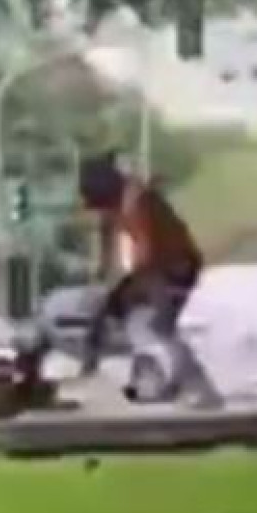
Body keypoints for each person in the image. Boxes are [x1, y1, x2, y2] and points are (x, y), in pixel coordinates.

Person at [77, 151, 220, 408]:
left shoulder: (135, 201)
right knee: (150, 326)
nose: (103, 213)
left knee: (147, 326)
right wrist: (104, 274)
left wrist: (128, 282)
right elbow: (108, 238)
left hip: (172, 268)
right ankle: (194, 386)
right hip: (163, 268)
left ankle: (186, 385)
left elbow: (147, 247)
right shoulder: (120, 203)